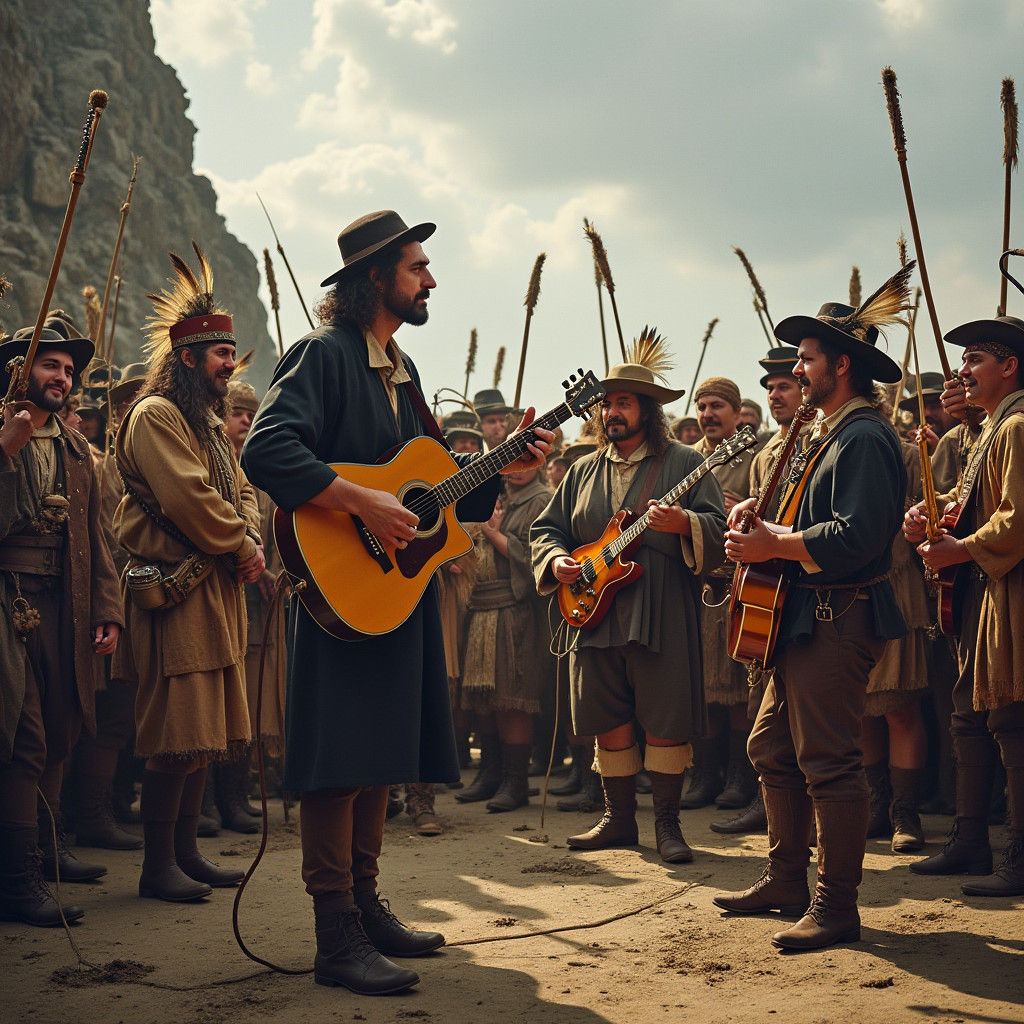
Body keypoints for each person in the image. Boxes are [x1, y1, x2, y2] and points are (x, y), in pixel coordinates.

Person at [241, 210, 552, 996]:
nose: (431, 279)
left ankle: (369, 907)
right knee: (338, 764)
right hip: (341, 591)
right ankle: (334, 935)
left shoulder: (399, 369)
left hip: (394, 592)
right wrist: (359, 504)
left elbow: (436, 496)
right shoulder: (322, 354)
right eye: (418, 267)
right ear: (377, 277)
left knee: (378, 757)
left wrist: (512, 461)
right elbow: (267, 448)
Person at [714, 269, 911, 950]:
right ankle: (787, 879)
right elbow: (808, 511)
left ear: (842, 365)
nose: (796, 368)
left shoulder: (863, 438)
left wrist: (775, 540)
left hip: (836, 615)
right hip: (801, 616)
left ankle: (836, 904)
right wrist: (758, 512)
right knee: (770, 747)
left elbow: (857, 536)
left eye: (806, 358)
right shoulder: (827, 430)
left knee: (828, 761)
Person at [531, 333, 726, 864]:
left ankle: (667, 825)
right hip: (593, 606)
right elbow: (546, 529)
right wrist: (555, 561)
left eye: (623, 402)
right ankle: (619, 821)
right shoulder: (581, 471)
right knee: (606, 711)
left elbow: (719, 527)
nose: (611, 413)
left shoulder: (686, 461)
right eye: (607, 404)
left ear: (648, 410)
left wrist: (685, 521)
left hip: (661, 604)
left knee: (665, 715)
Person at [113, 246, 264, 904]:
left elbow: (241, 489)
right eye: (220, 356)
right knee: (176, 734)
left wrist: (251, 536)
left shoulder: (204, 418)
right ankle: (157, 867)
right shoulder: (156, 417)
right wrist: (240, 545)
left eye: (232, 354)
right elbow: (190, 501)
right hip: (177, 594)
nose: (230, 365)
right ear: (187, 358)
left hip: (214, 590)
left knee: (201, 733)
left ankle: (187, 854)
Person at [0, 321, 122, 926]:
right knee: (21, 739)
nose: (62, 379)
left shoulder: (78, 452)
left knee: (57, 725)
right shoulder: (2, 431)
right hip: (5, 597)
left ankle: (44, 857)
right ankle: (17, 881)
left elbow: (96, 540)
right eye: (51, 365)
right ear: (21, 370)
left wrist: (106, 610)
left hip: (61, 603)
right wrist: (7, 448)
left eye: (69, 371)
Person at [906, 314, 1024, 896]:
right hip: (983, 591)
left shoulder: (1017, 426)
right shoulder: (990, 428)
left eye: (977, 358)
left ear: (1009, 367)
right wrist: (931, 510)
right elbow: (971, 494)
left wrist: (960, 549)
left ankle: (1018, 857)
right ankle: (970, 839)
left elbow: (1015, 517)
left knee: (1012, 719)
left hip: (1012, 591)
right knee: (970, 716)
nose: (963, 370)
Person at [711, 345, 803, 837]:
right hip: (765, 590)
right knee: (759, 708)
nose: (774, 395)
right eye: (769, 387)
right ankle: (767, 805)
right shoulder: (768, 450)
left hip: (804, 586)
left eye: (784, 385)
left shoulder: (823, 439)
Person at [459, 464, 554, 812]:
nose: (516, 471)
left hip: (514, 612)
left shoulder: (542, 499)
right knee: (483, 700)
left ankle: (516, 782)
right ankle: (490, 772)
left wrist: (495, 534)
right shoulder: (495, 496)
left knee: (511, 699)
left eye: (526, 462)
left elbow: (540, 562)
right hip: (480, 608)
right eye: (511, 462)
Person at [684, 378, 759, 813]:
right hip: (699, 584)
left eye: (717, 407)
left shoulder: (754, 457)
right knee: (703, 688)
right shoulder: (688, 461)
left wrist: (742, 503)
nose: (708, 415)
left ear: (735, 411)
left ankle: (738, 776)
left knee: (735, 689)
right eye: (702, 406)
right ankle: (704, 775)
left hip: (739, 585)